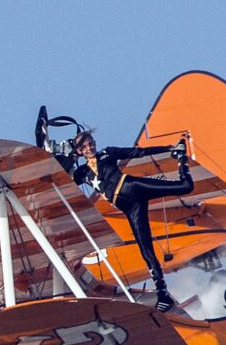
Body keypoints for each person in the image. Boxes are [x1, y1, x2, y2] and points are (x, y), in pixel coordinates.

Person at [36, 107, 193, 311]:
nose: (91, 147)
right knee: (145, 249)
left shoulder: (107, 153)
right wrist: (53, 151)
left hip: (131, 188)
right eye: (86, 146)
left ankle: (180, 155)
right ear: (80, 151)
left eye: (92, 144)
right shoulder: (81, 173)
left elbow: (137, 152)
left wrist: (168, 149)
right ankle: (163, 295)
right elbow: (61, 174)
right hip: (128, 207)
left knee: (186, 186)